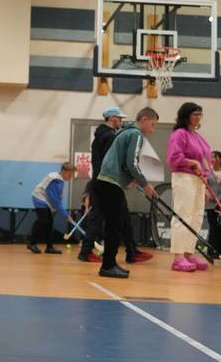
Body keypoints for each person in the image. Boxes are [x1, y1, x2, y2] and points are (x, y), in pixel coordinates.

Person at [78, 106, 152, 265]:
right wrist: (132, 178)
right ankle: (88, 252)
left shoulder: (100, 135)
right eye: (120, 118)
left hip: (101, 181)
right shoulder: (110, 136)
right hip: (107, 182)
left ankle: (131, 251)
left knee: (121, 217)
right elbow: (115, 162)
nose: (121, 121)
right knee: (103, 219)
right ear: (112, 118)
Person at [91, 107, 159, 278]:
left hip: (107, 182)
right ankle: (107, 266)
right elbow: (132, 163)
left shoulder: (124, 132)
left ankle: (111, 263)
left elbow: (123, 163)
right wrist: (145, 184)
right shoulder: (135, 134)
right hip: (110, 183)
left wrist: (129, 179)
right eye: (152, 124)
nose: (153, 129)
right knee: (114, 226)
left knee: (117, 224)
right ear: (143, 120)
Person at [166, 102, 212, 272]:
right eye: (194, 114)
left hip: (199, 180)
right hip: (184, 177)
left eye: (200, 114)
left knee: (196, 217)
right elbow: (174, 157)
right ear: (185, 115)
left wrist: (206, 182)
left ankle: (188, 253)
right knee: (183, 215)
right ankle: (178, 257)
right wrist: (191, 162)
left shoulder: (198, 136)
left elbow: (206, 162)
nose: (198, 117)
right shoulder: (179, 134)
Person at [27, 162, 76, 254]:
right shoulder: (56, 181)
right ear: (64, 171)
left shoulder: (59, 179)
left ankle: (49, 247)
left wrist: (65, 214)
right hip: (39, 198)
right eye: (70, 174)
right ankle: (31, 243)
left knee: (49, 223)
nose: (71, 177)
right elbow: (56, 201)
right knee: (43, 221)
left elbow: (56, 199)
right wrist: (66, 215)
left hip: (45, 200)